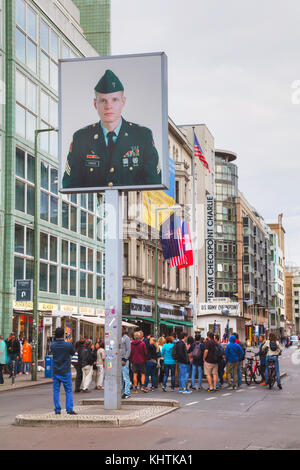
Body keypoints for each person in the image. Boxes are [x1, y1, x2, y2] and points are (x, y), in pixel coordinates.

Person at [62, 69, 161, 190]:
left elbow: (154, 184)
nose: (108, 106)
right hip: (94, 208)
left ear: (123, 102)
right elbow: (70, 186)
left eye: (114, 100)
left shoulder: (142, 136)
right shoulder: (81, 138)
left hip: (132, 207)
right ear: (95, 104)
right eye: (103, 100)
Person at [50, 327, 76, 415]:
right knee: (68, 390)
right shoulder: (68, 345)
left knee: (56, 390)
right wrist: (70, 342)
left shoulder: (52, 345)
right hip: (65, 370)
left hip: (56, 370)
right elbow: (73, 352)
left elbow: (52, 352)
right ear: (62, 335)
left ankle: (57, 409)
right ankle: (69, 409)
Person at [121, 326, 131, 399]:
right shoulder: (117, 337)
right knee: (120, 377)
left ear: (124, 330)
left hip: (124, 360)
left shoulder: (126, 338)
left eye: (121, 329)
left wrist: (125, 359)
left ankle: (127, 392)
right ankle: (120, 391)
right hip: (118, 360)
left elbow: (128, 350)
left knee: (125, 377)